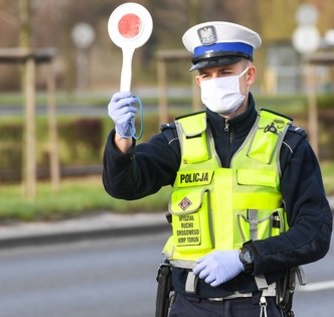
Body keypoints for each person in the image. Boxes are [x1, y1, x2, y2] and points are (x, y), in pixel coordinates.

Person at [102, 21, 333, 317]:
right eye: (206, 75)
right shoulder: (178, 140)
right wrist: (122, 138)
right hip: (189, 305)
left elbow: (315, 232)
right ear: (198, 83)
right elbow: (124, 186)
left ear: (249, 75)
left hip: (258, 303)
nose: (214, 81)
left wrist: (246, 257)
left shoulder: (287, 144)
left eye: (224, 72)